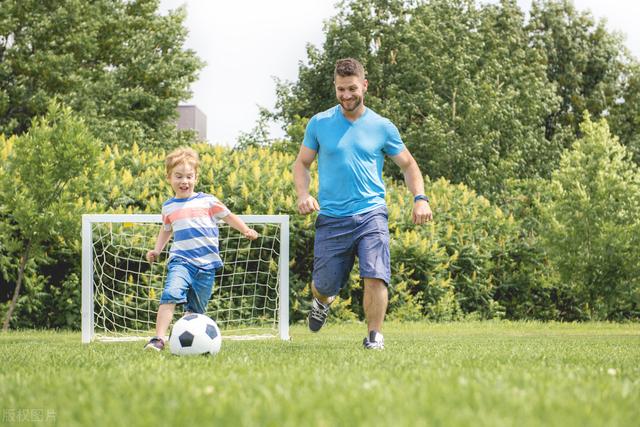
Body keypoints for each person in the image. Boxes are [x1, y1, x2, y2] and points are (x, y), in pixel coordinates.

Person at [292, 58, 433, 350]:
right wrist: (303, 194)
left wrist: (420, 198)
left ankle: (374, 336)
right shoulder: (319, 123)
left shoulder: (382, 127)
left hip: (371, 213)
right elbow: (302, 164)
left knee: (375, 273)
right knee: (325, 283)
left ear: (364, 86)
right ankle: (322, 300)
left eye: (352, 89)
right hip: (332, 217)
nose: (346, 95)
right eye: (341, 89)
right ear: (335, 86)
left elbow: (408, 165)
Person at [144, 147, 258, 351]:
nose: (184, 181)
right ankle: (159, 339)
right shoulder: (168, 207)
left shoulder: (208, 201)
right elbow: (166, 230)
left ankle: (188, 343)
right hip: (181, 261)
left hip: (206, 266)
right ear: (169, 177)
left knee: (196, 310)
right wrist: (157, 250)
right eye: (178, 176)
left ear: (196, 177)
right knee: (170, 293)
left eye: (189, 176)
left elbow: (228, 216)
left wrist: (245, 229)